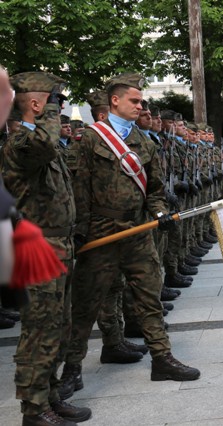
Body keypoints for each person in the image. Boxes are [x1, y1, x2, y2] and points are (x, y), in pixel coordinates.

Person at [62, 73, 200, 393]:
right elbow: (77, 187)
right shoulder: (91, 139)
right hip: (101, 234)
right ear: (115, 101)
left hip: (138, 230)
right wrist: (80, 229)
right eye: (134, 101)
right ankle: (71, 369)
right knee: (86, 304)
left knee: (148, 296)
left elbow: (154, 188)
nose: (140, 106)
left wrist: (160, 213)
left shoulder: (144, 141)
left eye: (141, 101)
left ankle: (162, 359)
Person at [1, 71, 92, 425]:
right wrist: (49, 115)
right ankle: (33, 409)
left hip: (58, 245)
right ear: (36, 105)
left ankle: (50, 397)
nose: (62, 108)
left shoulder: (39, 142)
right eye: (56, 100)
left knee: (58, 327)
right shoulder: (21, 145)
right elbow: (45, 145)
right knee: (38, 330)